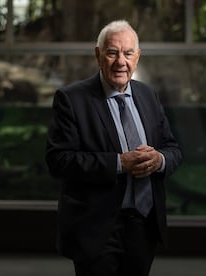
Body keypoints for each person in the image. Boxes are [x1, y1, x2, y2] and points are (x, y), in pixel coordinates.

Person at [45, 20, 182, 276]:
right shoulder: (72, 99)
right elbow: (58, 160)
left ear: (137, 57)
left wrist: (159, 160)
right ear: (98, 55)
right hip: (97, 229)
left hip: (143, 227)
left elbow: (172, 148)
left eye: (128, 53)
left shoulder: (148, 96)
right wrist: (120, 163)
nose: (121, 61)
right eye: (112, 52)